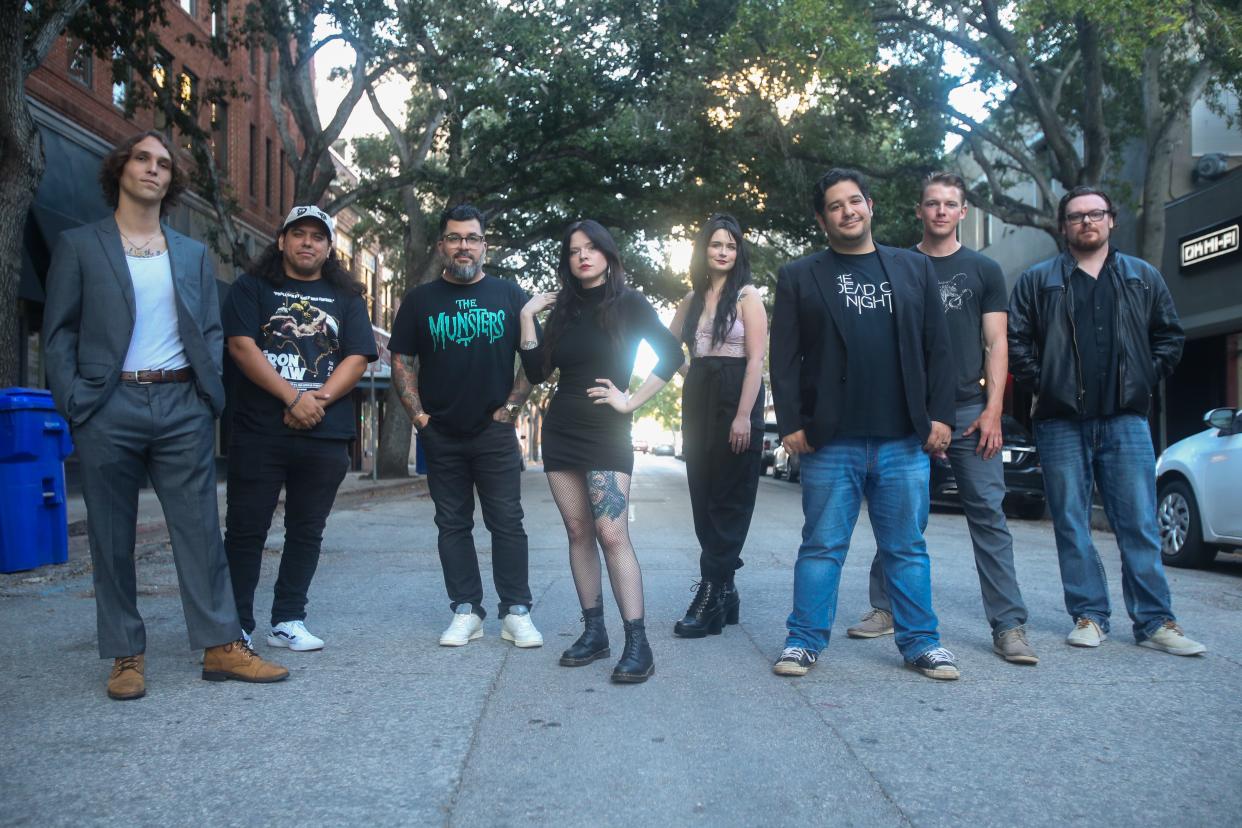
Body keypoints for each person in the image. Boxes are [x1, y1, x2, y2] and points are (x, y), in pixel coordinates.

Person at [42, 131, 288, 700]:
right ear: (120, 169)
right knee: (110, 534)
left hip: (182, 405)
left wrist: (209, 402)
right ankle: (126, 654)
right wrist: (78, 403)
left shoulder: (191, 252)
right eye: (143, 159)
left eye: (164, 164)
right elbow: (58, 335)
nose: (154, 169)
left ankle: (222, 644)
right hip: (109, 405)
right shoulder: (81, 245)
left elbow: (207, 328)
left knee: (201, 531)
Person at [769, 168, 959, 680]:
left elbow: (938, 349)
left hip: (902, 439)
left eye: (855, 201)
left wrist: (941, 416)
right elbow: (783, 358)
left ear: (870, 206)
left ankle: (922, 643)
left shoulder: (914, 268)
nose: (847, 211)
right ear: (821, 218)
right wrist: (790, 422)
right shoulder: (799, 275)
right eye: (835, 205)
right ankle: (803, 640)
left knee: (906, 548)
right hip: (831, 441)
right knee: (822, 546)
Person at [847, 172, 1037, 665]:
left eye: (950, 204)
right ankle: (885, 608)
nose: (940, 211)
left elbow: (996, 343)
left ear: (962, 212)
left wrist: (994, 411)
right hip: (909, 412)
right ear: (919, 210)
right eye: (932, 203)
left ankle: (1009, 624)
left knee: (989, 517)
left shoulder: (984, 270)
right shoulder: (894, 265)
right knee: (901, 515)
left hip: (970, 412)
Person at [1008, 186, 1206, 656]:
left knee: (1137, 521)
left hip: (1125, 421)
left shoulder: (1142, 277)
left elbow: (1170, 337)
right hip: (1059, 422)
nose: (1086, 222)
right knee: (1071, 523)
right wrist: (1047, 385)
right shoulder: (1039, 281)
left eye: (1095, 214)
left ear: (1111, 220)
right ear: (1064, 227)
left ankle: (1155, 622)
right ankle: (1090, 616)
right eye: (1076, 216)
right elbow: (1016, 342)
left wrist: (1141, 380)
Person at [519, 220, 684, 683]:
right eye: (574, 251)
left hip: (607, 433)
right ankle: (595, 633)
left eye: (591, 248)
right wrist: (527, 317)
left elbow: (672, 355)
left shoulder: (629, 304)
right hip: (562, 430)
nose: (583, 256)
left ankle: (638, 643)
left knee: (611, 533)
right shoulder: (564, 311)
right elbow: (536, 371)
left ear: (608, 255)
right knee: (577, 531)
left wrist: (629, 401)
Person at [221, 205, 378, 652]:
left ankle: (289, 619)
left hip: (324, 433)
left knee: (307, 530)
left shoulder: (346, 299)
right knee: (246, 531)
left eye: (317, 236)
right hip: (259, 432)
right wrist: (292, 398)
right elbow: (241, 346)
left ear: (330, 248)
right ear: (282, 241)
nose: (308, 242)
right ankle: (236, 626)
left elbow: (357, 356)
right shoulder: (252, 288)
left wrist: (317, 400)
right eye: (299, 234)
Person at [388, 205, 541, 649]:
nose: (463, 246)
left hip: (493, 433)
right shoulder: (419, 301)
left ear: (484, 246)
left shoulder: (511, 296)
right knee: (452, 523)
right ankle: (466, 610)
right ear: (441, 246)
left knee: (507, 522)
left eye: (472, 238)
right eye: (454, 238)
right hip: (441, 433)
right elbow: (401, 358)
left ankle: (516, 611)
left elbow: (534, 360)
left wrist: (510, 409)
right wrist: (418, 417)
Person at [666, 214, 767, 638]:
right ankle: (725, 591)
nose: (723, 252)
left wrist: (743, 414)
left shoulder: (748, 296)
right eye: (715, 245)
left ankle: (711, 592)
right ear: (703, 251)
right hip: (700, 394)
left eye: (730, 245)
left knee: (731, 494)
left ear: (737, 252)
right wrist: (691, 372)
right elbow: (666, 346)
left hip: (736, 395)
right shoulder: (690, 300)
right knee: (703, 493)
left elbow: (756, 361)